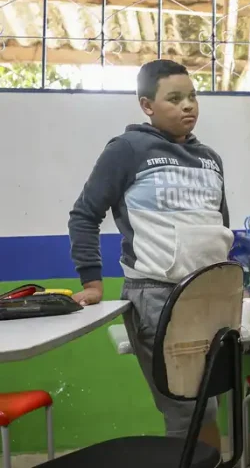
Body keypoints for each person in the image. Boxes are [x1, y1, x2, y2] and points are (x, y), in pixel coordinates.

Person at [69, 60, 233, 451]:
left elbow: (220, 226)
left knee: (208, 406)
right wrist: (92, 283)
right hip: (157, 295)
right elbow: (84, 215)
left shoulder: (210, 158)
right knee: (184, 410)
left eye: (192, 96)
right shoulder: (128, 150)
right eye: (174, 99)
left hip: (210, 297)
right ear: (147, 105)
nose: (188, 106)